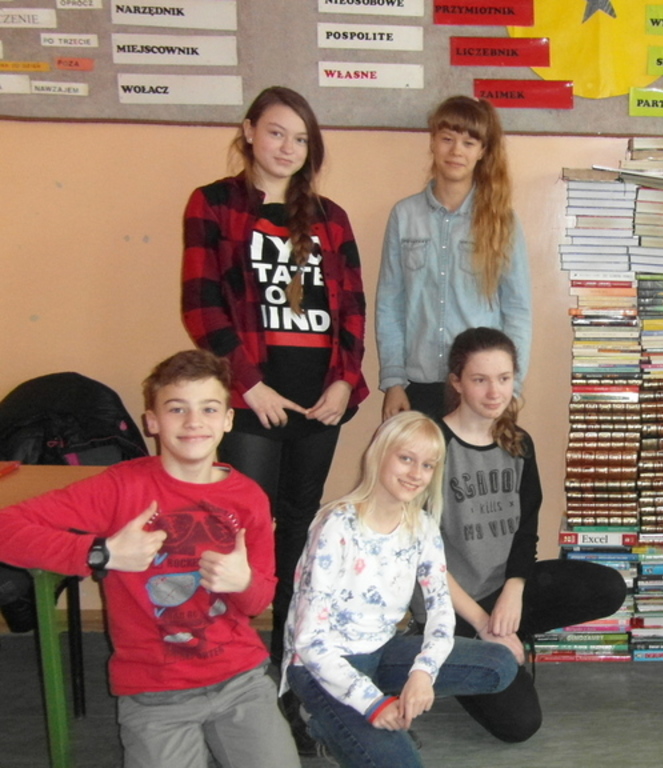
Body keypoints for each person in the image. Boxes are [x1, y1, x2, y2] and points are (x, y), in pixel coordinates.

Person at [0, 350, 299, 768]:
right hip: (155, 692)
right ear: (152, 421)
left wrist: (243, 582)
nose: (193, 422)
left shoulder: (248, 497)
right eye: (177, 409)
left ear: (228, 420)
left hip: (240, 681)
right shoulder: (121, 488)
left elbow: (258, 600)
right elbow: (6, 528)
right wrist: (101, 553)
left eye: (209, 409)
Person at [181, 86, 368, 698]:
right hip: (251, 399)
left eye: (301, 138)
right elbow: (202, 306)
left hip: (320, 401)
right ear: (249, 131)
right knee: (242, 528)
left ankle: (288, 660)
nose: (288, 148)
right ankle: (232, 662)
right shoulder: (213, 204)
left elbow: (353, 308)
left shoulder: (331, 217)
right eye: (276, 132)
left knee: (298, 528)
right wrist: (249, 385)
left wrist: (344, 380)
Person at [282, 411, 518, 767]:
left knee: (499, 664)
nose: (415, 474)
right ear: (379, 454)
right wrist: (372, 704)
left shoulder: (421, 526)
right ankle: (317, 718)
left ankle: (358, 717)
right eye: (406, 458)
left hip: (380, 648)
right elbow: (308, 641)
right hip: (322, 666)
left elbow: (441, 611)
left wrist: (424, 672)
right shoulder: (336, 524)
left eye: (427, 465)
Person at [432, 327, 627, 742]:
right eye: (480, 379)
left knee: (608, 587)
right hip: (452, 606)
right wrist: (483, 623)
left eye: (504, 378)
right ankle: (443, 650)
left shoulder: (519, 444)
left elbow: (526, 531)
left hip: (503, 592)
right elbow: (419, 557)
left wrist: (513, 590)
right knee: (519, 725)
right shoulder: (430, 444)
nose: (494, 392)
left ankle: (508, 636)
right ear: (457, 382)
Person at [377, 96, 531, 422]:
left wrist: (511, 389)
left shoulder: (502, 222)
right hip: (418, 385)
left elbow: (517, 310)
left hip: (481, 387)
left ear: (482, 151)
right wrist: (394, 381)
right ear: (433, 142)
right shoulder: (404, 216)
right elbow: (390, 304)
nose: (456, 151)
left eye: (468, 142)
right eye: (447, 139)